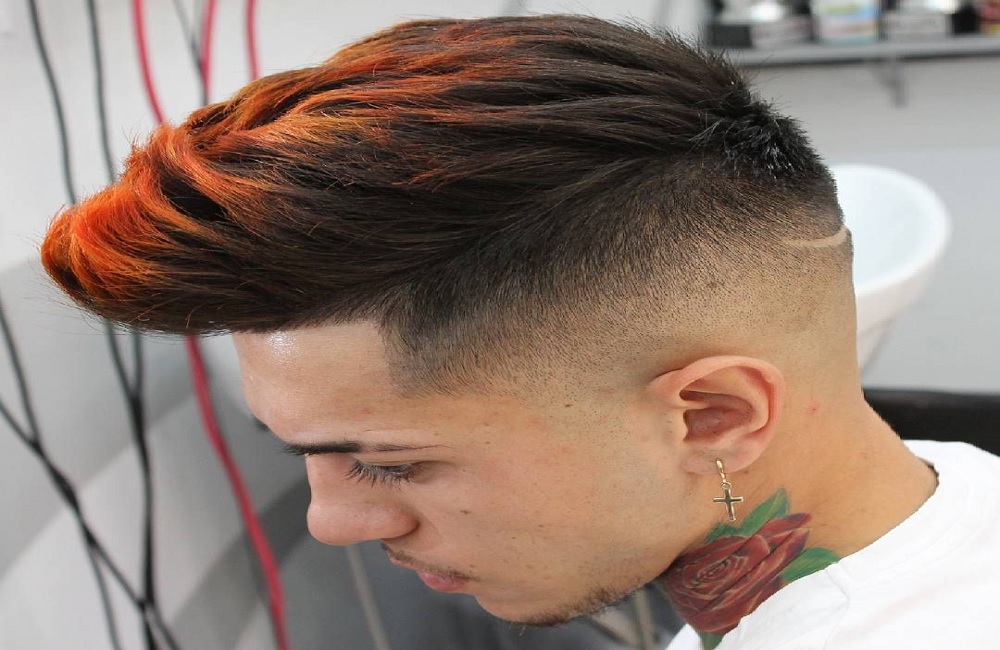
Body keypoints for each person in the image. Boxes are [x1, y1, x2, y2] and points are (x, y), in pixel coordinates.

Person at [40, 14, 1000, 650]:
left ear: (712, 415)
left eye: (389, 464)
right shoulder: (951, 494)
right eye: (306, 454)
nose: (333, 524)